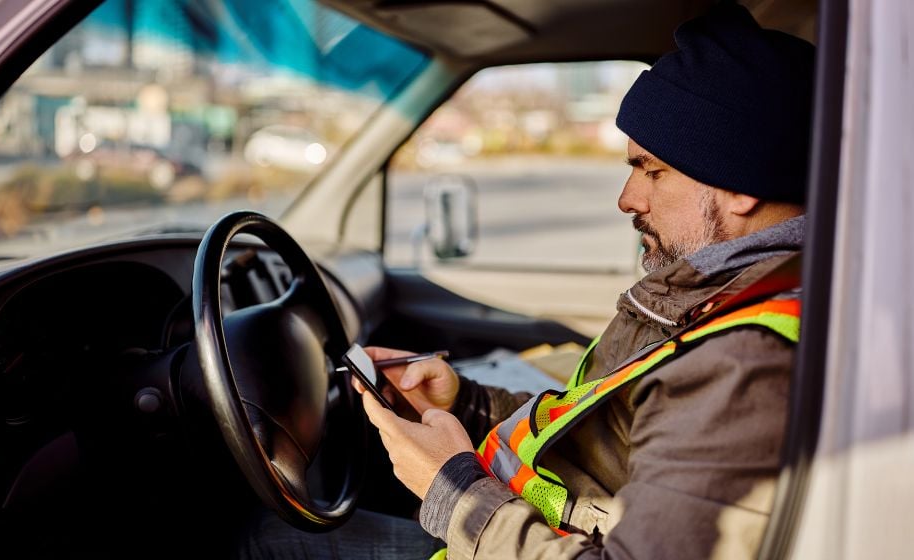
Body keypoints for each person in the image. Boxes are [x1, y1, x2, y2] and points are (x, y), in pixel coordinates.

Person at [239, 2, 815, 558]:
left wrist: (451, 489)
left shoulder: (746, 366)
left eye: (653, 171)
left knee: (259, 541)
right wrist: (466, 404)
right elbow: (598, 437)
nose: (627, 198)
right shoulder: (713, 294)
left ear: (741, 186)